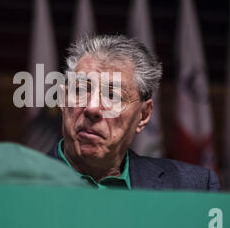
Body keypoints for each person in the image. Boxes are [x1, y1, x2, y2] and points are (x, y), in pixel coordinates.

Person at [47, 35, 220, 191]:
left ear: (143, 115)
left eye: (113, 96)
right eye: (81, 90)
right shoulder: (22, 184)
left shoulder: (193, 187)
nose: (92, 108)